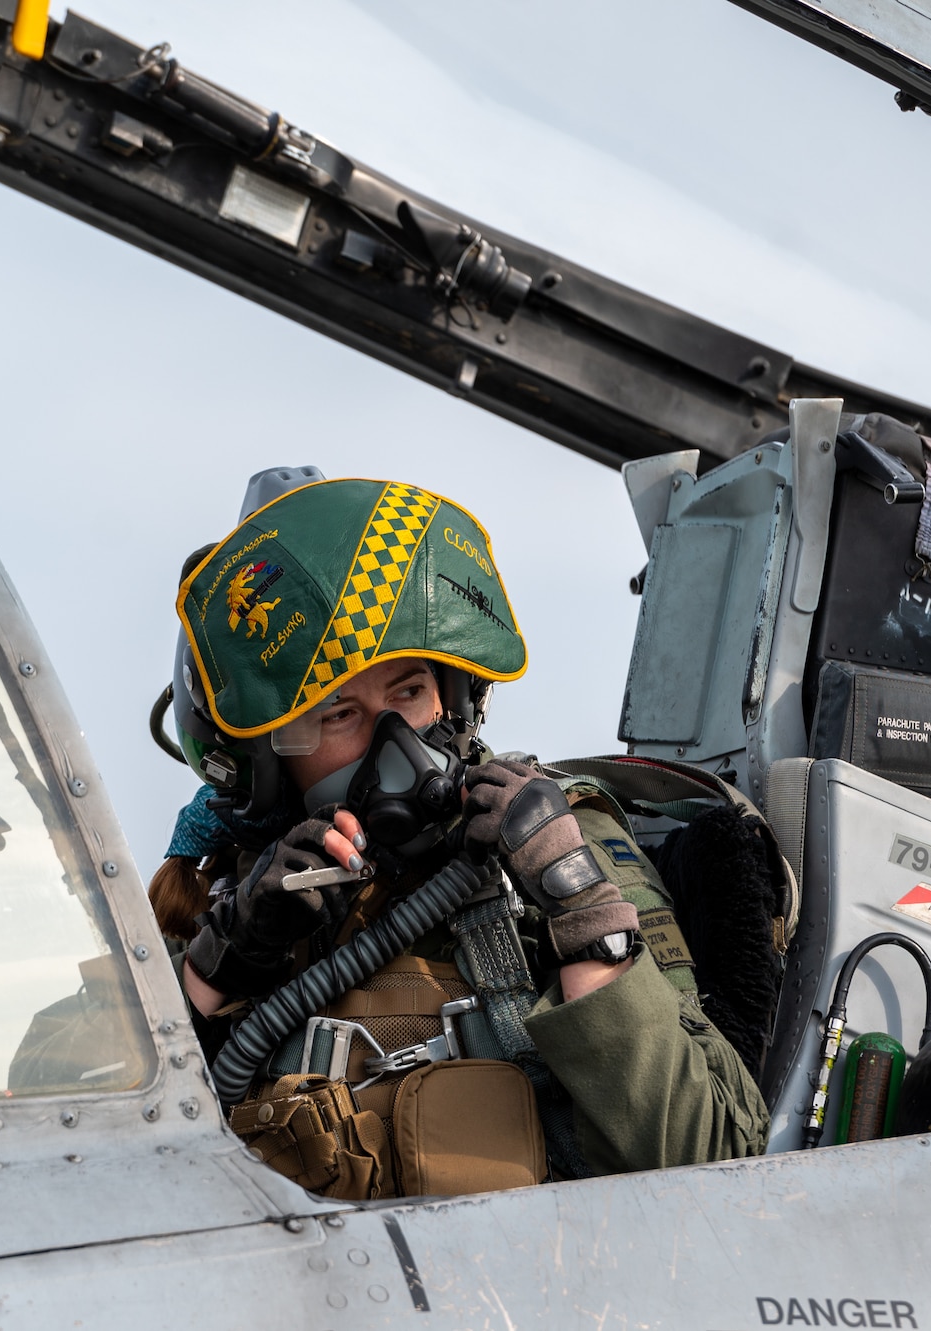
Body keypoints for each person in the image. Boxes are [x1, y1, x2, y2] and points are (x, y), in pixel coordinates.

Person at [152, 473, 765, 1198]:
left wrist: (580, 907)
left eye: (408, 691)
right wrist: (218, 963)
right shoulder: (219, 888)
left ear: (455, 696)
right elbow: (53, 1128)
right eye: (338, 712)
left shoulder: (554, 843)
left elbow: (720, 1155)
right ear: (265, 754)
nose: (392, 743)